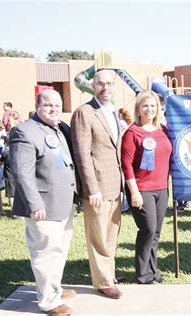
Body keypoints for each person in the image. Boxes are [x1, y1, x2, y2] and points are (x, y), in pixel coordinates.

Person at [9, 90, 76, 315]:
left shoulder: (60, 128)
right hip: (43, 206)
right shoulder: (24, 131)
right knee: (46, 252)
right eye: (48, 105)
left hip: (64, 202)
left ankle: (53, 288)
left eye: (57, 105)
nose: (54, 108)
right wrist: (34, 203)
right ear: (37, 105)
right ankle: (49, 301)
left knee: (59, 249)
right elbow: (22, 172)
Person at [71, 69, 123, 299]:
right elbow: (82, 154)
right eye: (100, 83)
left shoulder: (112, 110)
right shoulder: (84, 112)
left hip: (115, 185)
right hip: (97, 188)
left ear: (114, 85)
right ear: (93, 84)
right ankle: (102, 282)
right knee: (98, 236)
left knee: (111, 234)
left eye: (109, 84)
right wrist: (92, 189)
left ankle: (108, 273)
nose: (105, 88)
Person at [121, 90, 172, 284]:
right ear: (138, 109)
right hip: (141, 189)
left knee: (156, 232)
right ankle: (143, 273)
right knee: (148, 230)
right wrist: (134, 192)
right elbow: (126, 165)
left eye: (153, 106)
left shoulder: (163, 131)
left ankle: (154, 270)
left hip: (162, 188)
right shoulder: (132, 133)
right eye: (145, 106)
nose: (149, 109)